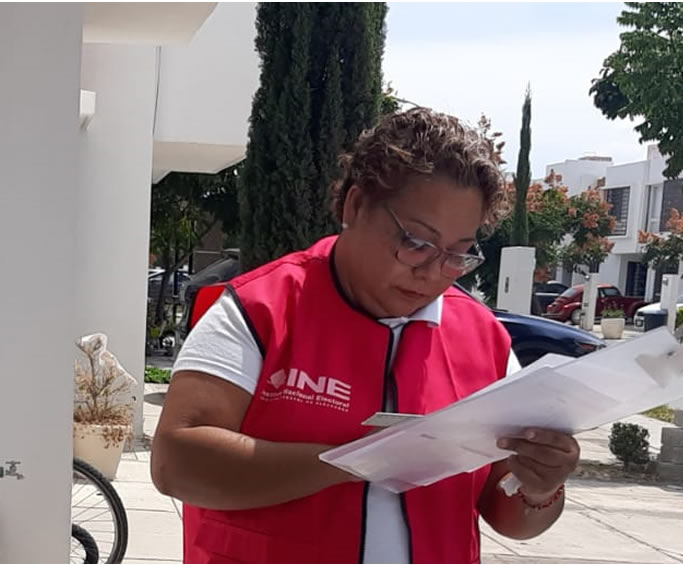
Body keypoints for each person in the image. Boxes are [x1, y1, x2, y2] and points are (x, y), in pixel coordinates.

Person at [151, 107, 580, 564]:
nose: (433, 272)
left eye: (457, 254)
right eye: (416, 243)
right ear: (355, 206)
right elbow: (177, 462)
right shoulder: (259, 310)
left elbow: (509, 514)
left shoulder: (486, 341)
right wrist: (355, 461)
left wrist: (541, 487)